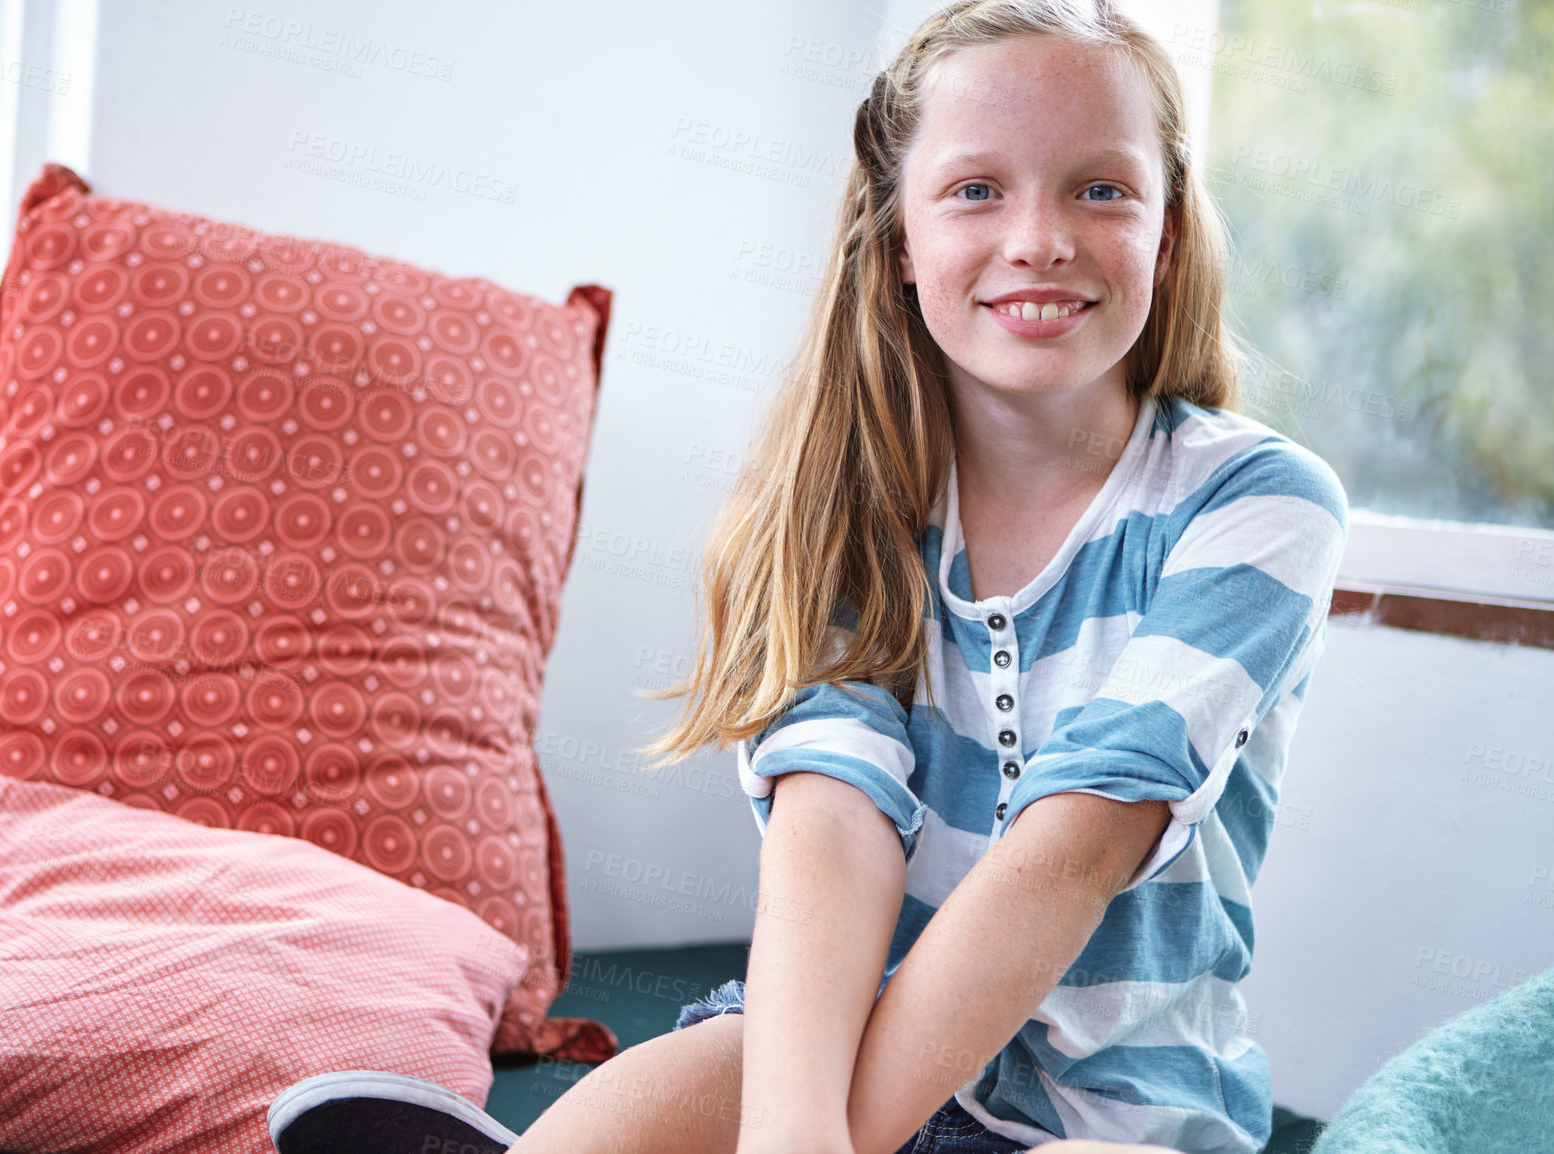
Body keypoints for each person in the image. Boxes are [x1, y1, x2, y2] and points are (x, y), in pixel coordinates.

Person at [267, 0, 1348, 1151]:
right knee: (714, 1067)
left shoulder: (1257, 506)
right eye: (976, 190)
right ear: (896, 239)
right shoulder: (848, 500)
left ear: (1168, 230)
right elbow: (830, 820)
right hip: (850, 1051)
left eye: (1101, 189)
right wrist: (796, 1130)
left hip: (1113, 1120)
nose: (1040, 236)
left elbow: (1070, 851)